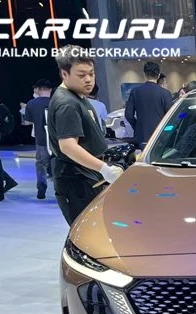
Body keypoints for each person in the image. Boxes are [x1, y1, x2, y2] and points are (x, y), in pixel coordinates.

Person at [48, 45, 124, 225]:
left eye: (91, 73)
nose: (89, 79)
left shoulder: (77, 96)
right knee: (86, 231)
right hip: (76, 182)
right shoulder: (67, 103)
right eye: (81, 75)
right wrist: (103, 169)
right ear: (64, 74)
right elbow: (68, 146)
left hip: (86, 178)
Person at [124, 61, 173, 148]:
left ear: (144, 74)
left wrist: (137, 127)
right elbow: (171, 117)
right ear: (158, 75)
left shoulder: (135, 92)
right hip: (160, 136)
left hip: (141, 136)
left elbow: (128, 115)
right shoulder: (165, 93)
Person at [24, 79, 53, 199]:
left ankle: (41, 187)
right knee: (58, 164)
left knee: (41, 164)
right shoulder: (57, 102)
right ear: (50, 89)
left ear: (38, 89)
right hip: (58, 140)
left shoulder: (31, 103)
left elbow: (27, 121)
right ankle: (61, 190)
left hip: (41, 140)